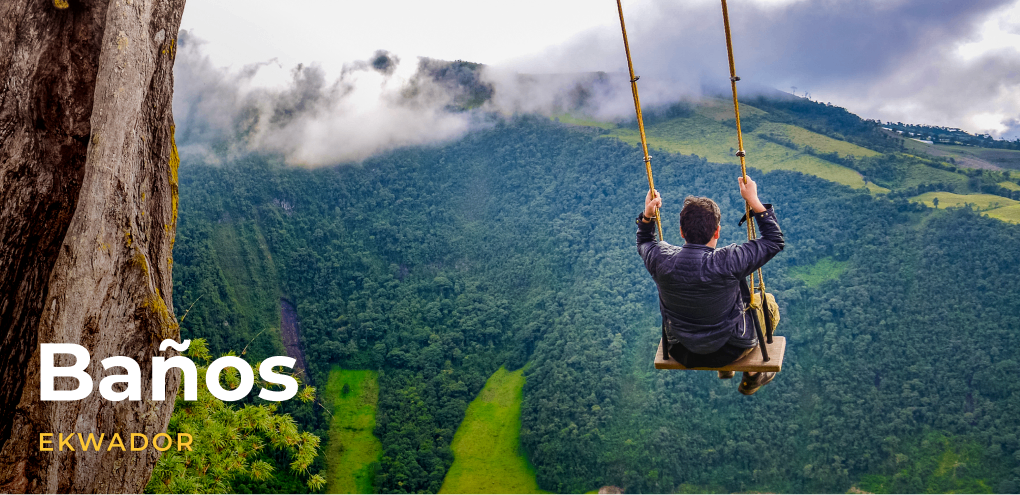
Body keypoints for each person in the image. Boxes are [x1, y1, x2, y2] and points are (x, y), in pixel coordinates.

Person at [636, 176, 784, 395]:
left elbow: (644, 242)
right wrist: (753, 200)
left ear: (681, 231)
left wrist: (648, 215)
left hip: (682, 350)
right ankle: (753, 374)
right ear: (717, 232)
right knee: (766, 303)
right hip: (731, 349)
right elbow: (774, 241)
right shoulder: (729, 260)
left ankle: (726, 370)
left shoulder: (661, 259)